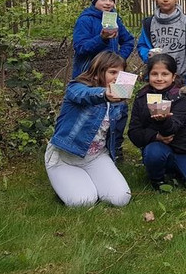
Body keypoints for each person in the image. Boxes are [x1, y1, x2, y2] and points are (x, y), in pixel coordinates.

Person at [45, 51, 131, 208]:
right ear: (97, 73)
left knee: (121, 198)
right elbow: (83, 95)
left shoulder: (120, 102)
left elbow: (116, 135)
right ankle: (67, 182)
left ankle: (85, 181)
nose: (117, 78)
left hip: (96, 157)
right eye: (112, 72)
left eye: (121, 73)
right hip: (65, 157)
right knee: (84, 202)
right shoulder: (76, 87)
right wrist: (104, 94)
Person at [128, 54, 186, 191]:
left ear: (173, 77)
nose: (159, 78)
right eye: (154, 74)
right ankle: (158, 180)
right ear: (148, 76)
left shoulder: (180, 96)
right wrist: (155, 136)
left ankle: (179, 170)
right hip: (157, 147)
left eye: (165, 74)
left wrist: (163, 120)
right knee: (154, 152)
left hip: (184, 148)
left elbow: (173, 128)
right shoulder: (141, 97)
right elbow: (133, 132)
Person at [137, 0, 186, 137]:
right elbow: (142, 45)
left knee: (185, 114)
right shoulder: (149, 23)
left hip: (180, 79)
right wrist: (148, 55)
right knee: (156, 112)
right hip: (157, 78)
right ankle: (155, 140)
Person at [71, 0, 134, 79]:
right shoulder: (85, 20)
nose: (108, 3)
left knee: (119, 89)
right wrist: (102, 39)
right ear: (94, 0)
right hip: (89, 75)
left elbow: (128, 41)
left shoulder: (115, 19)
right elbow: (80, 48)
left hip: (111, 75)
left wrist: (118, 59)